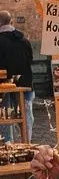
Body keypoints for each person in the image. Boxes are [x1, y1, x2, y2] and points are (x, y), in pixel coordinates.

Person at [0, 11, 34, 142]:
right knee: (25, 116)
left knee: (5, 117)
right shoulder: (23, 39)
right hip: (24, 82)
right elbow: (30, 59)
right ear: (11, 22)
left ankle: (7, 144)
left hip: (4, 84)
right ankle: (27, 143)